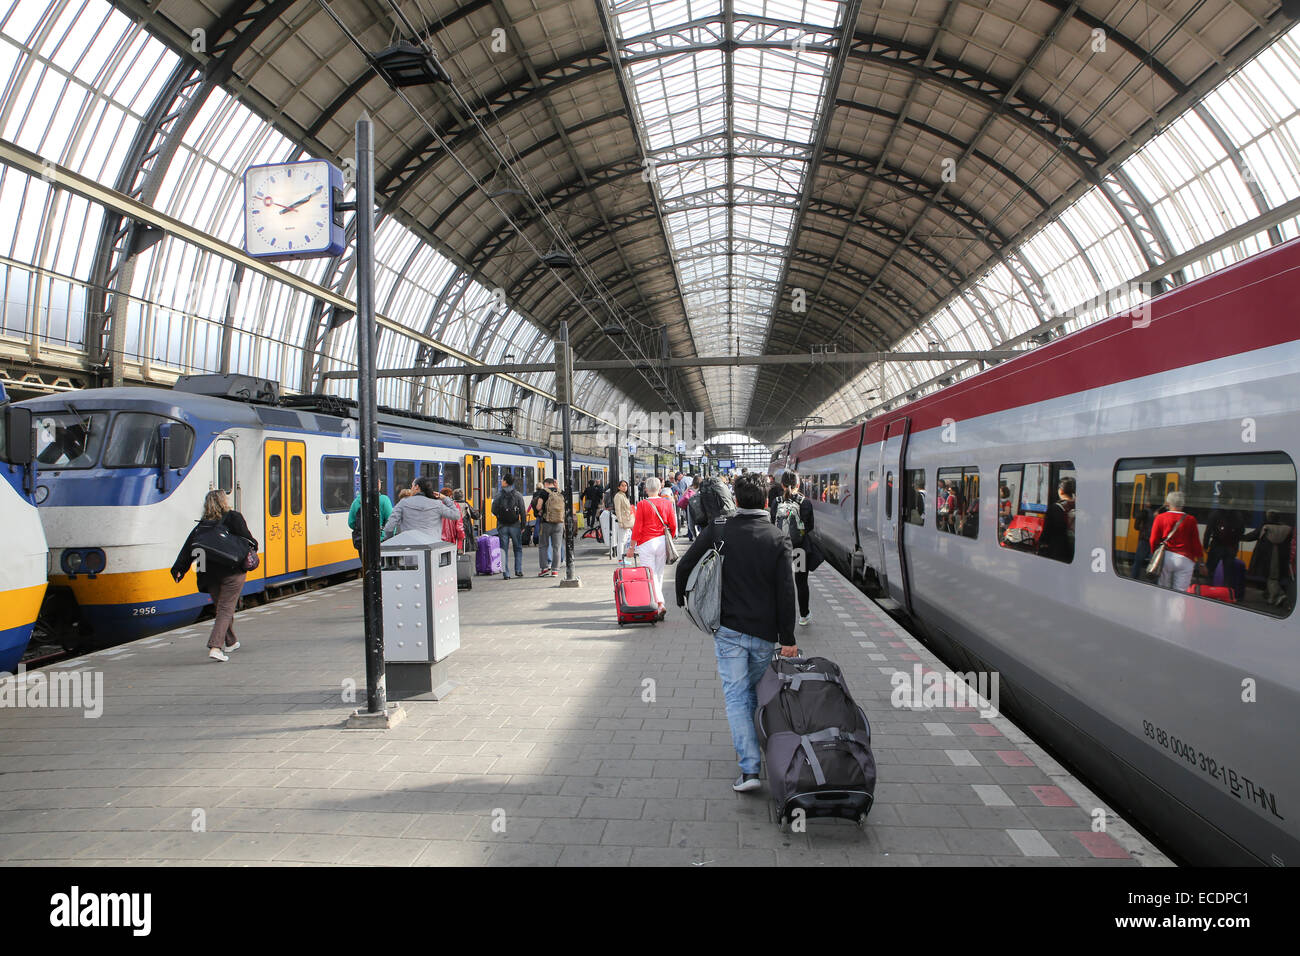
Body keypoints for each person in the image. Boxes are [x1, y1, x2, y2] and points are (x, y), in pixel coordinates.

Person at [676, 473, 798, 793]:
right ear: (767, 502)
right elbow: (787, 592)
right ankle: (770, 751)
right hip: (764, 634)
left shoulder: (720, 529)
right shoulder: (776, 537)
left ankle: (749, 771)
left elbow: (685, 564)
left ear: (738, 501)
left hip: (728, 630)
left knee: (736, 696)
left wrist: (682, 601)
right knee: (756, 692)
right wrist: (789, 639)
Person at [171, 490, 258, 663]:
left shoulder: (202, 525)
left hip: (209, 574)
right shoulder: (233, 517)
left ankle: (231, 642)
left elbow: (188, 549)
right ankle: (216, 647)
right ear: (224, 502)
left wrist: (179, 569)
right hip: (232, 572)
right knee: (226, 609)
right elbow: (250, 541)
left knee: (222, 609)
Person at [627, 475, 677, 618]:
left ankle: (659, 603)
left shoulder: (642, 504)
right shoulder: (667, 503)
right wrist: (670, 538)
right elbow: (673, 524)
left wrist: (631, 546)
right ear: (660, 488)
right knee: (659, 573)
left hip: (645, 543)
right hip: (661, 541)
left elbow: (637, 527)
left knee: (650, 574)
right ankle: (657, 603)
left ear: (646, 489)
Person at [771, 470, 816, 626]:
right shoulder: (805, 502)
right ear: (798, 484)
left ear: (782, 485)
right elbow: (810, 526)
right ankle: (804, 615)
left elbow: (772, 522)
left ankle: (779, 615)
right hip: (800, 549)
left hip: (780, 548)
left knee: (781, 581)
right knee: (801, 582)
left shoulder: (776, 501)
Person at [1149, 490, 1203, 592]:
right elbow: (1196, 544)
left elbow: (1153, 540)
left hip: (1166, 557)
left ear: (1168, 504)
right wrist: (1201, 563)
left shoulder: (1160, 518)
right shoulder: (1190, 519)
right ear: (1183, 504)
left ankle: (1162, 606)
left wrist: (1155, 555)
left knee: (1163, 588)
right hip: (1185, 559)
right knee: (1180, 592)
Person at [1242, 512, 1294, 607]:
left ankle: (1279, 596)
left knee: (1271, 578)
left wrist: (1240, 537)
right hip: (1282, 559)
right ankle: (1269, 595)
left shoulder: (1266, 528)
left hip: (1268, 558)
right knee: (1274, 577)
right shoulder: (1286, 529)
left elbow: (1252, 536)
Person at [383, 476, 462, 538]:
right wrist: (444, 498)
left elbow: (390, 526)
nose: (411, 488)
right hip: (433, 546)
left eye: (412, 486)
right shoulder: (437, 504)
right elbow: (456, 515)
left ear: (417, 487)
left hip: (410, 547)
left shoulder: (403, 503)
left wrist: (389, 538)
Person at [1203, 494, 1247, 586]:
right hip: (1231, 547)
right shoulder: (1238, 514)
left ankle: (1208, 592)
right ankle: (1226, 593)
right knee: (1228, 573)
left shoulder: (1215, 514)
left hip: (1216, 546)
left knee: (1210, 570)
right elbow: (1242, 531)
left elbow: (1208, 531)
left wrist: (1205, 546)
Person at [491, 475, 526, 579]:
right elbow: (523, 512)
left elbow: (493, 510)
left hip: (502, 526)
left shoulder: (498, 495)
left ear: (505, 482)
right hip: (515, 525)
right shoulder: (518, 495)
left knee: (503, 549)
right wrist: (523, 525)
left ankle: (506, 573)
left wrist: (500, 516)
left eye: (502, 480)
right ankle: (518, 570)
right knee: (518, 548)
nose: (501, 481)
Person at [1037, 477, 1075, 562]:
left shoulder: (1055, 508)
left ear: (1061, 491)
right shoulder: (1078, 505)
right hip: (1074, 551)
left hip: (1057, 552)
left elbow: (1046, 533)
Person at [535, 477, 566, 577]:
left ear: (546, 484)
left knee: (543, 545)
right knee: (557, 547)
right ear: (554, 483)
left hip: (546, 523)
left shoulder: (544, 492)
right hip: (559, 523)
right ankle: (555, 570)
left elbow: (538, 507)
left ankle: (544, 568)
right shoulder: (561, 492)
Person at [612, 479, 634, 561]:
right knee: (621, 541)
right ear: (618, 487)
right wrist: (620, 521)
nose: (624, 487)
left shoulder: (624, 496)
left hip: (627, 521)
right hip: (623, 521)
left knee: (625, 540)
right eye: (622, 485)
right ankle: (620, 559)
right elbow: (617, 510)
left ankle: (623, 558)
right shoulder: (618, 496)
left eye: (626, 485)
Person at [454, 488, 476, 553]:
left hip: (454, 524)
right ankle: (462, 550)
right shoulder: (465, 504)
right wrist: (479, 516)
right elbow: (474, 514)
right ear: (462, 496)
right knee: (464, 536)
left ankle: (457, 549)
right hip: (464, 524)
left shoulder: (452, 504)